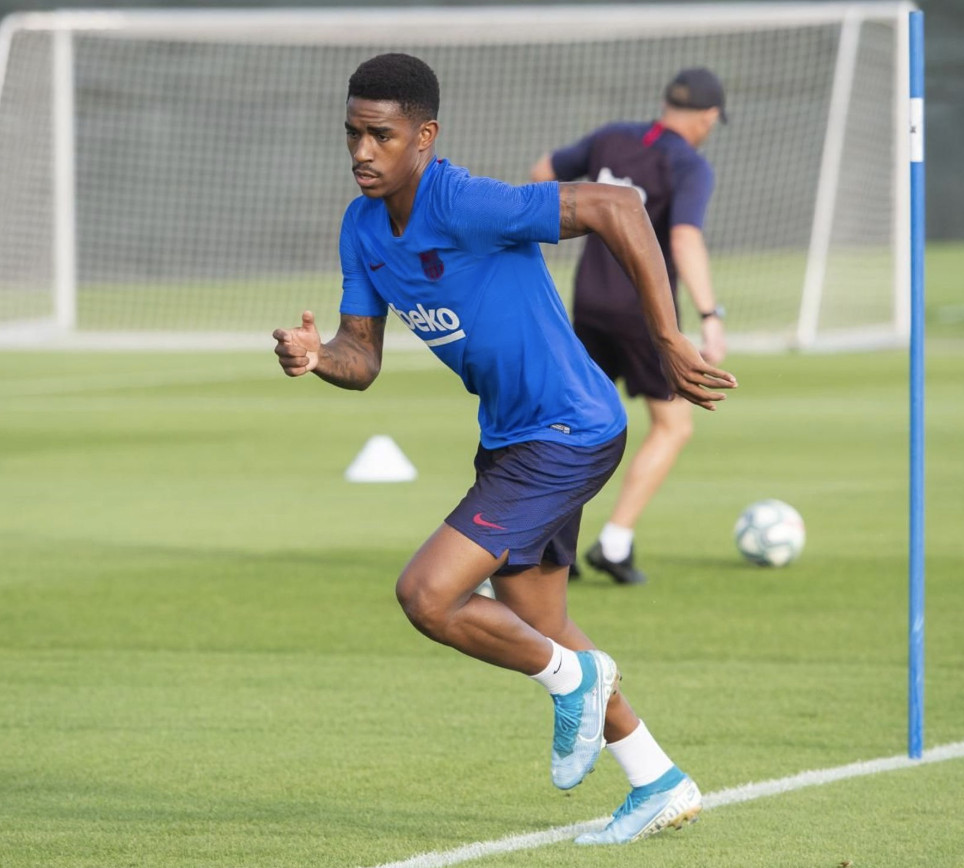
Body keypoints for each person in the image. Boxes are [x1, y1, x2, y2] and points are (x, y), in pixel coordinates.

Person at [273, 53, 737, 845]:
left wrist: (667, 337)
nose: (361, 151)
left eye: (379, 135)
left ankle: (574, 680)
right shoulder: (361, 228)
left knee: (427, 595)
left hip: (568, 430)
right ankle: (657, 778)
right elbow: (363, 359)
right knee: (539, 618)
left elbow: (618, 206)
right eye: (351, 133)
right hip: (511, 442)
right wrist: (316, 359)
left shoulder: (466, 201)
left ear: (425, 136)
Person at [530, 67, 728, 586]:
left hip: (589, 300)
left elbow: (541, 173)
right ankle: (615, 543)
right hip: (645, 311)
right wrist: (710, 316)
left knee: (576, 421)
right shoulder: (688, 164)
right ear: (708, 117)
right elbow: (683, 239)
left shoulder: (610, 137)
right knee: (673, 424)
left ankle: (552, 546)